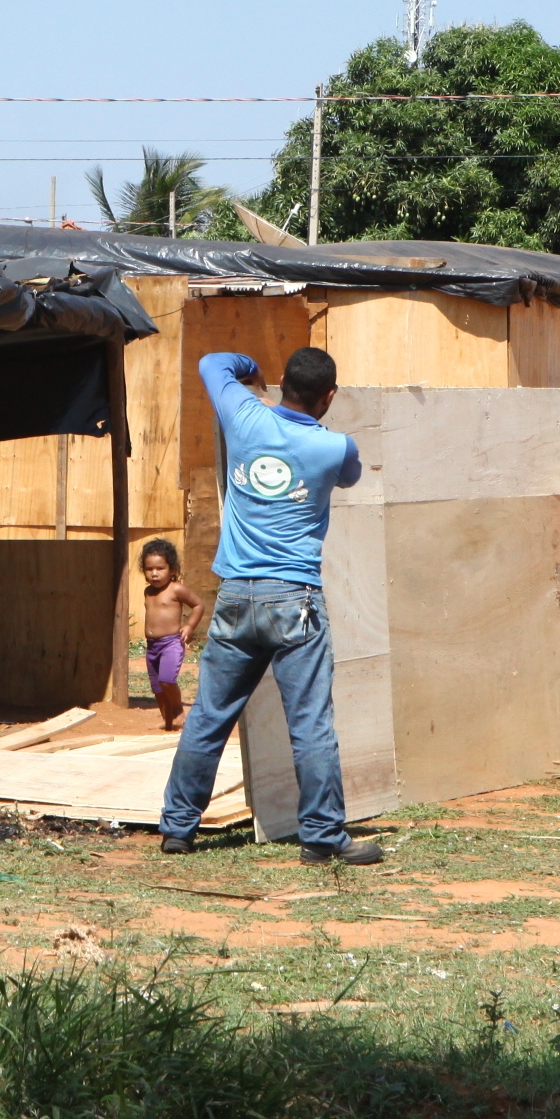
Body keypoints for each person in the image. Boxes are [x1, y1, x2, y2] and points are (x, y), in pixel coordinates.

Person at [158, 346, 379, 865]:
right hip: (294, 600)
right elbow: (351, 476)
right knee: (310, 724)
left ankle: (178, 829)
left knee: (209, 716)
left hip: (237, 595)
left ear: (281, 384)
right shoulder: (334, 448)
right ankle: (322, 838)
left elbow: (211, 362)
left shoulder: (244, 414)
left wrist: (250, 370)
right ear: (329, 397)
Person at [138, 538, 206, 731]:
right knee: (157, 688)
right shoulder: (147, 591)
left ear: (173, 569)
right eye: (149, 569)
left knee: (167, 680)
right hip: (152, 646)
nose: (154, 573)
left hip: (171, 643)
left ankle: (178, 711)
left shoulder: (176, 589)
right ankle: (169, 722)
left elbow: (198, 605)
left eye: (160, 568)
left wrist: (190, 626)